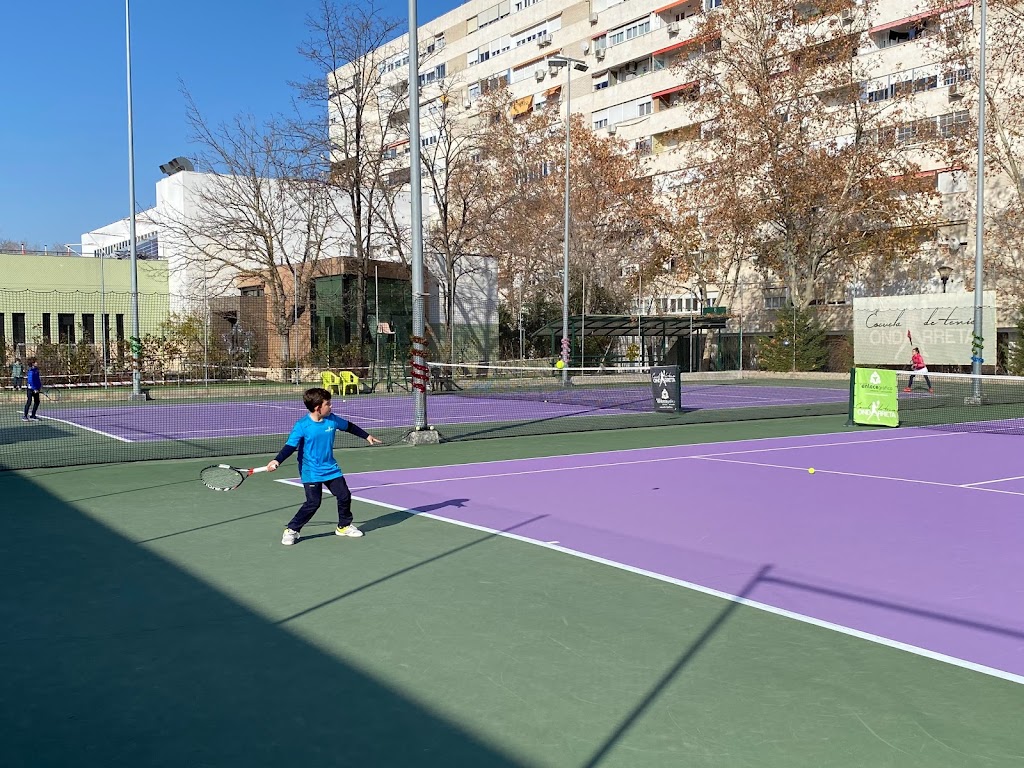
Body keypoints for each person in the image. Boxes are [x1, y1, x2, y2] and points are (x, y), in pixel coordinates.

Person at [267, 387, 382, 546]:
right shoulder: (302, 426)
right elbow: (290, 446)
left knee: (344, 496)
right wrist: (277, 460)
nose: (331, 406)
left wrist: (367, 436)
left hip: (331, 468)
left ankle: (343, 526)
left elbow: (349, 426)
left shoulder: (332, 420)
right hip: (311, 471)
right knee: (313, 503)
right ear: (317, 408)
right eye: (328, 404)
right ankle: (292, 529)